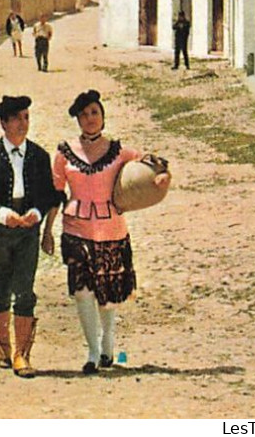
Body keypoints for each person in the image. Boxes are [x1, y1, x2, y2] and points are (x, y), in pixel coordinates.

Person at [42, 90, 169, 375]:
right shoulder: (63, 153)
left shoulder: (120, 151)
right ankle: (92, 350)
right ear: (77, 119)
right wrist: (47, 231)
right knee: (82, 290)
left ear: (103, 116)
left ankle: (108, 342)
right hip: (75, 229)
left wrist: (160, 179)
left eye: (94, 113)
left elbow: (154, 165)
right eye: (84, 114)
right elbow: (55, 194)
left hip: (112, 230)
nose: (90, 119)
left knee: (108, 290)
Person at [0, 95, 63, 378]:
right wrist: (0, 213)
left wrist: (36, 211)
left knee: (25, 290)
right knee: (0, 291)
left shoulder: (39, 156)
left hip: (28, 232)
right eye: (18, 118)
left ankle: (22, 354)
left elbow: (50, 194)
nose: (23, 123)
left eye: (27, 117)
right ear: (3, 123)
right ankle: (3, 347)